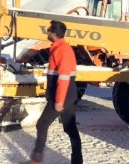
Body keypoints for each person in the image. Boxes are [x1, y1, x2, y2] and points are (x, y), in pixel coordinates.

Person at [25, 20, 83, 164]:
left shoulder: (62, 50)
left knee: (42, 124)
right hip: (67, 96)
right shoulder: (59, 48)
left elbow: (63, 78)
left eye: (49, 30)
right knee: (70, 129)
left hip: (62, 96)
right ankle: (77, 161)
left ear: (54, 33)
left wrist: (58, 101)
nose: (47, 32)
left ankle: (36, 160)